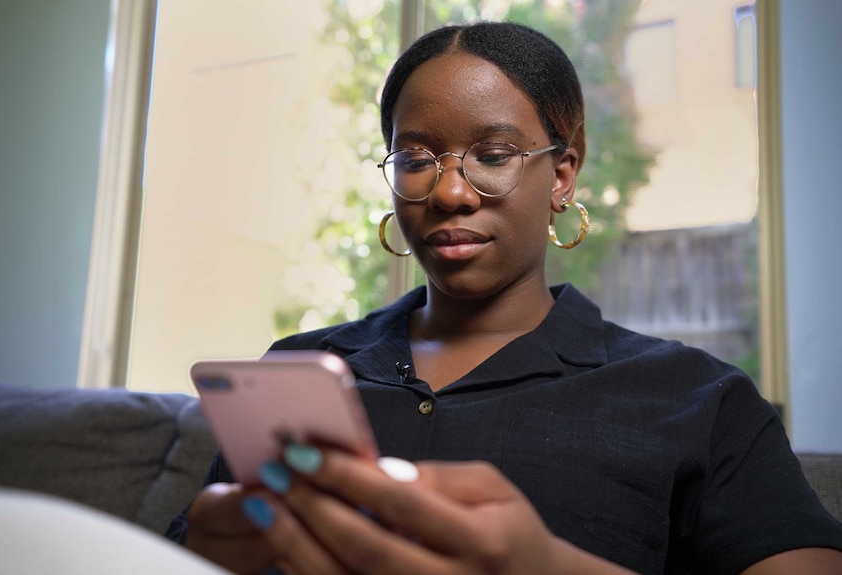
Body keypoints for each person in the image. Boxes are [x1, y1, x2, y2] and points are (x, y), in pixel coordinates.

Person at [166, 22, 842, 574]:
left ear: (562, 174)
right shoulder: (299, 366)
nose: (449, 192)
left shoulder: (697, 397)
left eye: (493, 154)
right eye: (416, 158)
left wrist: (548, 564)